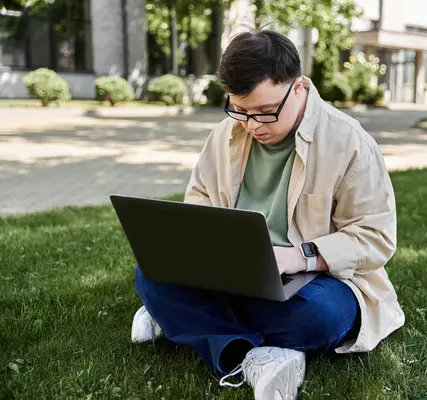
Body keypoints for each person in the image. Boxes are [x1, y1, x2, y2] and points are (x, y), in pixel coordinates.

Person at [131, 29, 405, 400]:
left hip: (312, 280)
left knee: (322, 317)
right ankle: (251, 355)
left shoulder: (349, 142)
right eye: (240, 111)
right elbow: (198, 204)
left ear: (297, 87)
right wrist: (196, 252)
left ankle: (184, 320)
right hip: (230, 272)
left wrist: (300, 256)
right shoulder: (225, 134)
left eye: (264, 112)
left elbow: (376, 239)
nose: (252, 125)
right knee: (151, 273)